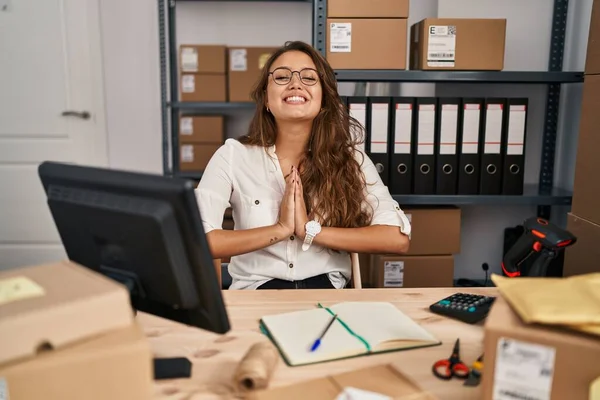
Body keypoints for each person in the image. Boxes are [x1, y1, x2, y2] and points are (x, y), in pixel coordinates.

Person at [195, 41, 411, 290]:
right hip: (256, 293)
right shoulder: (233, 155)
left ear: (323, 99)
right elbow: (200, 239)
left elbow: (397, 239)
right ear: (266, 98)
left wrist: (310, 231)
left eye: (309, 77)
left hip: (326, 293)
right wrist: (280, 229)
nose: (295, 83)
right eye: (282, 76)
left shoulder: (351, 158)